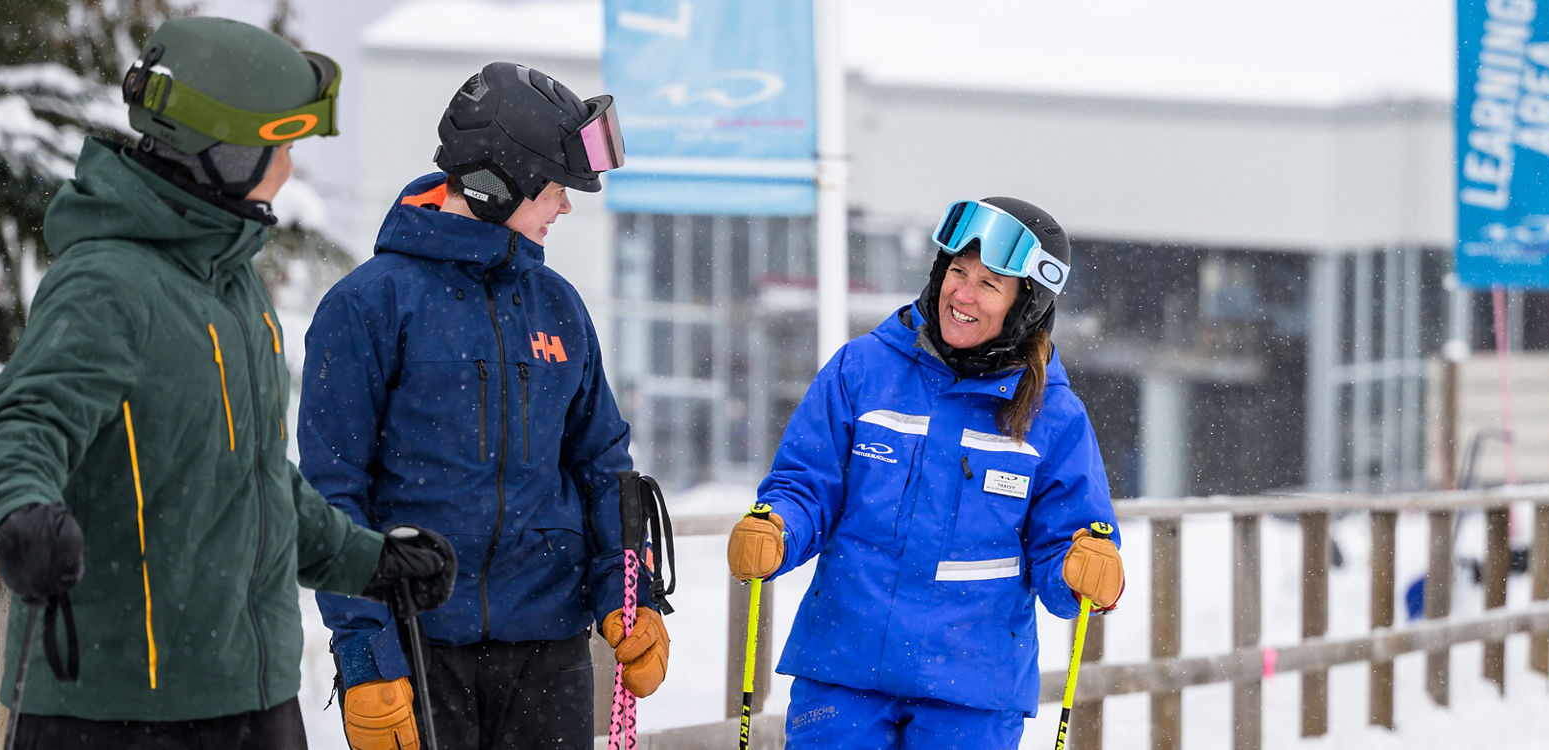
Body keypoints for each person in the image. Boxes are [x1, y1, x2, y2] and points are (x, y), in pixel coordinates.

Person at [0, 17, 454, 749]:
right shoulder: (108, 283)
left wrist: (369, 560)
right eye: (280, 147)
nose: (287, 169)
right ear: (225, 154)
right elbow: (19, 425)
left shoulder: (231, 283)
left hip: (250, 698)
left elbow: (253, 480)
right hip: (120, 713)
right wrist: (21, 515)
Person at [298, 61, 650, 750]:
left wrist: (627, 593)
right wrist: (366, 655)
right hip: (419, 650)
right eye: (555, 190)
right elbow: (332, 493)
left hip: (550, 652)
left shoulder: (558, 307)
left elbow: (603, 465)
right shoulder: (369, 305)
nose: (566, 208)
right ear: (498, 185)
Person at [727, 197, 1124, 748]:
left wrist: (1086, 567)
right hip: (845, 673)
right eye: (958, 272)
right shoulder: (862, 370)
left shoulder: (1053, 416)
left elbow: (1070, 544)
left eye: (989, 284)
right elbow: (806, 486)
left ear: (1025, 305)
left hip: (971, 695)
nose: (963, 294)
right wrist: (777, 527)